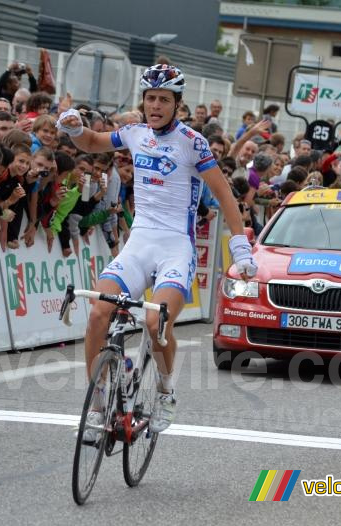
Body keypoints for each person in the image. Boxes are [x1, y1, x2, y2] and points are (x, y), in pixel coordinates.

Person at [57, 64, 257, 435]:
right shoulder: (133, 133)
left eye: (164, 99)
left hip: (176, 247)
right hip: (140, 242)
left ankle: (165, 392)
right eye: (151, 98)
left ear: (177, 104)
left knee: (155, 322)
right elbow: (91, 143)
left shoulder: (192, 142)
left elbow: (224, 194)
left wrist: (240, 246)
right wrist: (72, 127)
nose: (156, 105)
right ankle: (99, 404)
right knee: (99, 313)